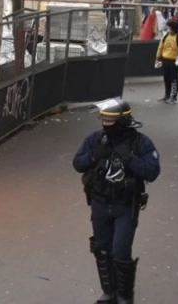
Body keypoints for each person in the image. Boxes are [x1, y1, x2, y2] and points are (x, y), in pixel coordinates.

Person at [73, 98, 160, 304]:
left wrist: (129, 158)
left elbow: (152, 172)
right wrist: (94, 156)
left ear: (122, 121)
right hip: (100, 204)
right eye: (103, 120)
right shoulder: (96, 140)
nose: (105, 125)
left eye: (110, 121)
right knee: (102, 250)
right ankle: (109, 292)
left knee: (120, 251)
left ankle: (124, 296)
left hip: (125, 206)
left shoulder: (141, 142)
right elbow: (78, 163)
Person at [155, 19, 178, 104]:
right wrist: (158, 58)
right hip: (165, 60)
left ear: (173, 28)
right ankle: (167, 95)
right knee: (166, 79)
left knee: (174, 80)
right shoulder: (165, 37)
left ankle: (173, 97)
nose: (167, 29)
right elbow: (160, 47)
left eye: (169, 28)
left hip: (174, 61)